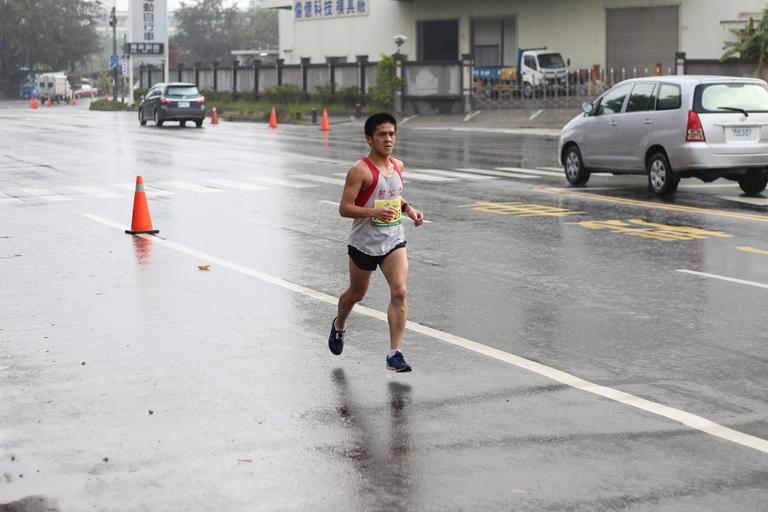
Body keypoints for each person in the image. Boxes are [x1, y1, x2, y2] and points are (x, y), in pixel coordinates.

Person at [328, 112, 424, 372]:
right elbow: (344, 208)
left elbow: (394, 195)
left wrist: (409, 209)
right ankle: (339, 324)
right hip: (364, 243)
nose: (388, 139)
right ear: (369, 138)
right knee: (356, 294)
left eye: (392, 134)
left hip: (393, 239)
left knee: (400, 291)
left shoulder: (398, 166)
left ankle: (395, 353)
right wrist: (373, 212)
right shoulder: (359, 171)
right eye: (382, 134)